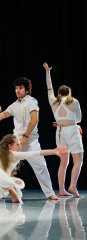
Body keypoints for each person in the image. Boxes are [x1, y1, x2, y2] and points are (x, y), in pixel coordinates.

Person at [0, 77, 59, 200]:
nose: (17, 90)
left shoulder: (32, 101)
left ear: (27, 89)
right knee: (3, 166)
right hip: (15, 141)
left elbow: (34, 120)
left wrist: (26, 136)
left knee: (41, 167)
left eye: (20, 88)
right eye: (16, 88)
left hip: (30, 140)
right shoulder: (14, 105)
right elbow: (1, 116)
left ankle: (50, 193)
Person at [43, 62, 84, 197]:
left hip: (60, 132)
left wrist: (47, 72)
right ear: (69, 92)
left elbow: (49, 88)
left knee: (64, 162)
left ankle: (61, 189)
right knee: (78, 160)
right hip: (71, 131)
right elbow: (78, 119)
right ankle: (72, 186)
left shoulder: (53, 101)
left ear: (59, 93)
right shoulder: (74, 101)